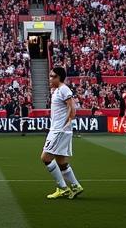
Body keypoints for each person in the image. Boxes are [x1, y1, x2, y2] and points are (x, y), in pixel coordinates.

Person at [41, 66, 83, 200]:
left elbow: (73, 108)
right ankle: (76, 186)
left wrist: (65, 125)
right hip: (58, 129)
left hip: (59, 130)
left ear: (59, 77)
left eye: (52, 76)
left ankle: (63, 188)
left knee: (45, 157)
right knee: (61, 161)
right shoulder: (57, 90)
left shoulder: (64, 89)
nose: (50, 78)